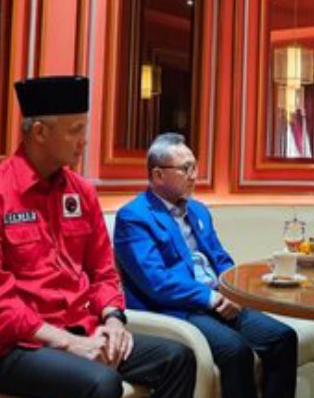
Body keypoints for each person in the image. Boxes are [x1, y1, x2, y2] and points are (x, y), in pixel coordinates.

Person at [0, 76, 195, 398]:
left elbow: (103, 272)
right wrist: (68, 342)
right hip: (14, 347)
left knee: (177, 359)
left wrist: (113, 320)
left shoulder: (81, 192)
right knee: (102, 381)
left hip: (81, 327)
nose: (84, 141)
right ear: (40, 132)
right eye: (75, 130)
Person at [113, 132, 298, 398]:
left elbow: (221, 259)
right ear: (158, 175)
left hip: (219, 299)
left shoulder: (198, 210)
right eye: (185, 168)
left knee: (283, 338)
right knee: (236, 350)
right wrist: (211, 298)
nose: (194, 176)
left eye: (195, 167)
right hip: (177, 309)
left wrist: (233, 292)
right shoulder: (134, 217)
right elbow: (157, 283)